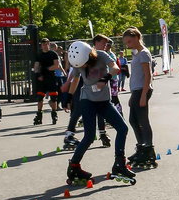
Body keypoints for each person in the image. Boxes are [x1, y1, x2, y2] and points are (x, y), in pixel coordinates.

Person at [65, 40, 135, 186]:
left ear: (89, 56)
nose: (83, 67)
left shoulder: (102, 55)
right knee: (89, 136)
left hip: (104, 102)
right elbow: (76, 79)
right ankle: (74, 167)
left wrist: (105, 78)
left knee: (123, 128)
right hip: (87, 102)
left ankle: (119, 164)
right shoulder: (78, 62)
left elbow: (115, 68)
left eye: (84, 64)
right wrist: (69, 97)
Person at [124, 27, 157, 169]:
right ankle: (141, 147)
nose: (128, 45)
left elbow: (147, 75)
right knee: (133, 120)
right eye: (126, 43)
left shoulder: (144, 53)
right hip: (136, 91)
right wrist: (133, 95)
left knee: (143, 121)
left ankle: (148, 150)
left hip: (142, 90)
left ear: (137, 37)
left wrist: (143, 94)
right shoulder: (137, 53)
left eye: (130, 41)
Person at [32, 39, 61, 125]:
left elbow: (56, 65)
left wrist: (47, 69)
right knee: (40, 97)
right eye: (43, 44)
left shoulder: (53, 54)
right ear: (41, 45)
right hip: (42, 78)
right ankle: (39, 114)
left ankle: (54, 113)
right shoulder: (39, 55)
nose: (45, 46)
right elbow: (36, 66)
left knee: (53, 97)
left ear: (48, 44)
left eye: (46, 44)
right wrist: (38, 74)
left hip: (51, 77)